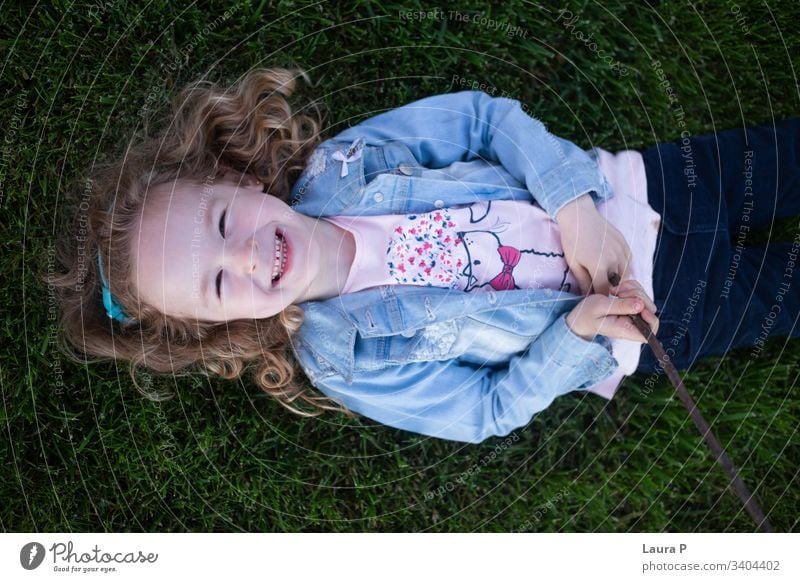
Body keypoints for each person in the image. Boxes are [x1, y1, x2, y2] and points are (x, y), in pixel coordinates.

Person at [53, 67, 800, 444]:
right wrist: (576, 336)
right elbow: (482, 409)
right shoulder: (345, 360)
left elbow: (483, 118)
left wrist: (575, 207)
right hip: (648, 317)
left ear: (236, 177)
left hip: (643, 186)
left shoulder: (349, 164)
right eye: (217, 283)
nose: (246, 256)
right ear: (222, 324)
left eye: (221, 220)